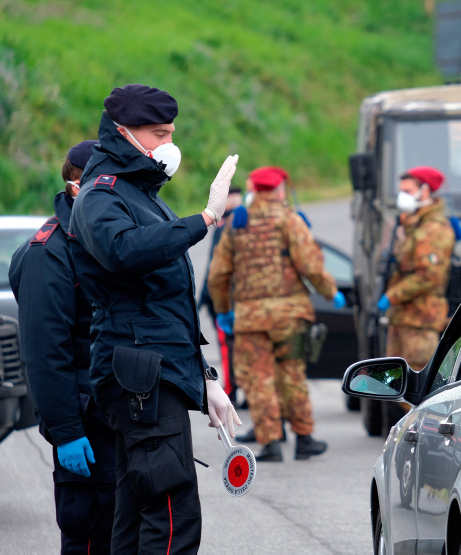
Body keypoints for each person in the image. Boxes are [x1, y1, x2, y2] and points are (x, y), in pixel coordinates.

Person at [68, 84, 241, 553]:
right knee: (171, 512)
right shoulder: (103, 195)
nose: (167, 144)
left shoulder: (142, 195)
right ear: (122, 133)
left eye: (170, 133)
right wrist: (203, 219)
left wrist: (204, 378)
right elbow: (121, 252)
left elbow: (166, 306)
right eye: (157, 133)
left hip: (153, 370)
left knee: (136, 510)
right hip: (139, 376)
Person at [9, 140, 116, 553]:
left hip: (116, 416)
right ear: (77, 186)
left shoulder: (101, 240)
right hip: (85, 422)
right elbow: (44, 353)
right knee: (90, 535)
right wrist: (68, 432)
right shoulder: (48, 253)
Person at [207, 166, 346, 462]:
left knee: (258, 379)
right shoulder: (290, 221)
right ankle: (304, 438)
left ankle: (271, 443)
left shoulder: (236, 224)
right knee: (291, 374)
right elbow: (310, 266)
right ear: (280, 190)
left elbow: (218, 274)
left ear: (253, 190)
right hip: (289, 316)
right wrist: (331, 292)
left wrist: (222, 310)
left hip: (250, 318)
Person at [377, 166, 455, 423]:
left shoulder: (433, 229)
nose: (402, 197)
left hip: (421, 318)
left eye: (407, 191)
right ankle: (414, 426)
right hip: (404, 317)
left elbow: (428, 276)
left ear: (425, 191)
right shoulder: (412, 224)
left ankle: (430, 426)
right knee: (396, 383)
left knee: (422, 382)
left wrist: (393, 295)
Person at [198, 187, 244, 402]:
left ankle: (234, 391)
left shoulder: (227, 231)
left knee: (232, 350)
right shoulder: (236, 229)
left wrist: (206, 299)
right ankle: (238, 392)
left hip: (229, 303)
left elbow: (214, 272)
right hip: (233, 303)